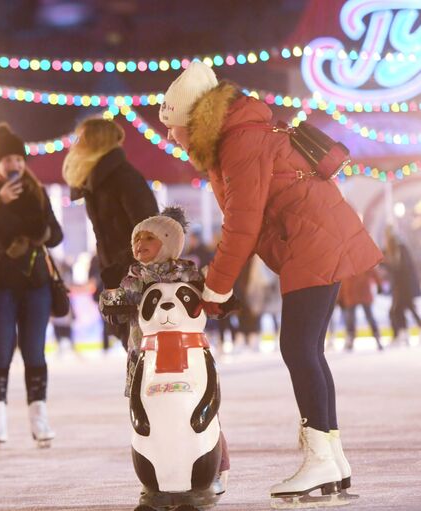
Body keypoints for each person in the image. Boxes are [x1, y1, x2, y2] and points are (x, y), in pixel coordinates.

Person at [160, 61, 383, 505]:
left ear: (194, 121)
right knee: (307, 350)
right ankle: (333, 458)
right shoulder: (238, 137)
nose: (171, 137)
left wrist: (214, 290)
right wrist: (221, 287)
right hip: (316, 239)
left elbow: (243, 224)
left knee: (298, 349)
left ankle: (321, 457)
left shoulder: (241, 142)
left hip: (313, 242)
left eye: (174, 126)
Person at [99, 207, 230, 494]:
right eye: (137, 238)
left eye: (149, 237)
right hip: (146, 352)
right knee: (148, 408)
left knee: (205, 410)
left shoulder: (188, 272)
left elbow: (208, 301)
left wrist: (222, 300)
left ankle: (216, 466)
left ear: (170, 241)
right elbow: (118, 308)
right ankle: (157, 470)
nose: (140, 243)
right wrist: (110, 293)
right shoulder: (135, 276)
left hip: (188, 354)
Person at [0, 123, 63, 447]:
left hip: (35, 284)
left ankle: (40, 419)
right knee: (1, 350)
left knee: (35, 350)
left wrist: (41, 234)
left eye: (19, 160)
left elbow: (57, 233)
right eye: (8, 159)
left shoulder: (37, 191)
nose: (15, 165)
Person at [62, 116, 158, 347]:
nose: (75, 146)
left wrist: (128, 268)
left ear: (96, 142)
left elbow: (149, 228)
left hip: (136, 277)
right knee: (132, 343)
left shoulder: (124, 179)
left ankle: (150, 383)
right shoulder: (97, 183)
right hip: (117, 274)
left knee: (141, 344)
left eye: (81, 139)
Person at [384, 228, 421, 346]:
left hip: (405, 287)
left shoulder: (400, 249)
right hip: (400, 288)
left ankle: (401, 334)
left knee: (398, 310)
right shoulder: (392, 250)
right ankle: (403, 334)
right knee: (399, 311)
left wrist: (388, 265)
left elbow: (402, 269)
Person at [337, 269, 383, 351]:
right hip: (352, 293)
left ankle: (377, 337)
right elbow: (341, 280)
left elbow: (372, 270)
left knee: (367, 316)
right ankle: (350, 338)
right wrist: (340, 297)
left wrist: (379, 284)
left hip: (360, 292)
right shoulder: (345, 262)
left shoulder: (360, 260)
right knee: (351, 319)